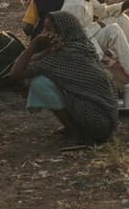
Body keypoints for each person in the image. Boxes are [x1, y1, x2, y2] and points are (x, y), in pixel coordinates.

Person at [9, 11, 120, 146]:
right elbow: (28, 64)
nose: (43, 33)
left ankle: (75, 133)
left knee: (40, 83)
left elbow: (15, 73)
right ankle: (74, 127)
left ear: (62, 32)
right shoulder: (84, 47)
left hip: (95, 123)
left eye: (48, 30)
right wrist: (45, 51)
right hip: (106, 122)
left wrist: (34, 44)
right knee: (57, 84)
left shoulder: (61, 57)